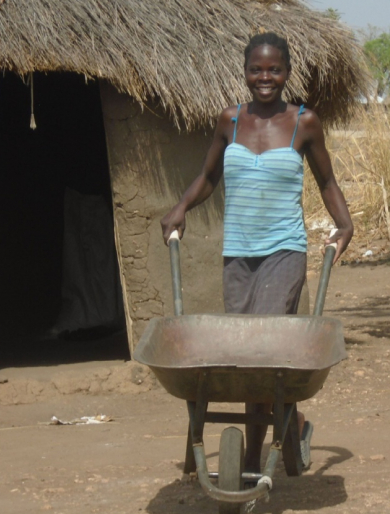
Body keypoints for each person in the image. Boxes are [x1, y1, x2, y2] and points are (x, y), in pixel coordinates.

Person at [160, 32, 353, 473]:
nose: (265, 78)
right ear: (245, 72)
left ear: (287, 72)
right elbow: (208, 177)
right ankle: (294, 426)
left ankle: (247, 458)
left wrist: (345, 224)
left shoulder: (304, 122)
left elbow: (326, 181)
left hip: (284, 251)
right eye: (256, 69)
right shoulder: (229, 121)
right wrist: (181, 206)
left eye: (274, 69)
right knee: (245, 357)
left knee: (260, 356)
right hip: (238, 256)